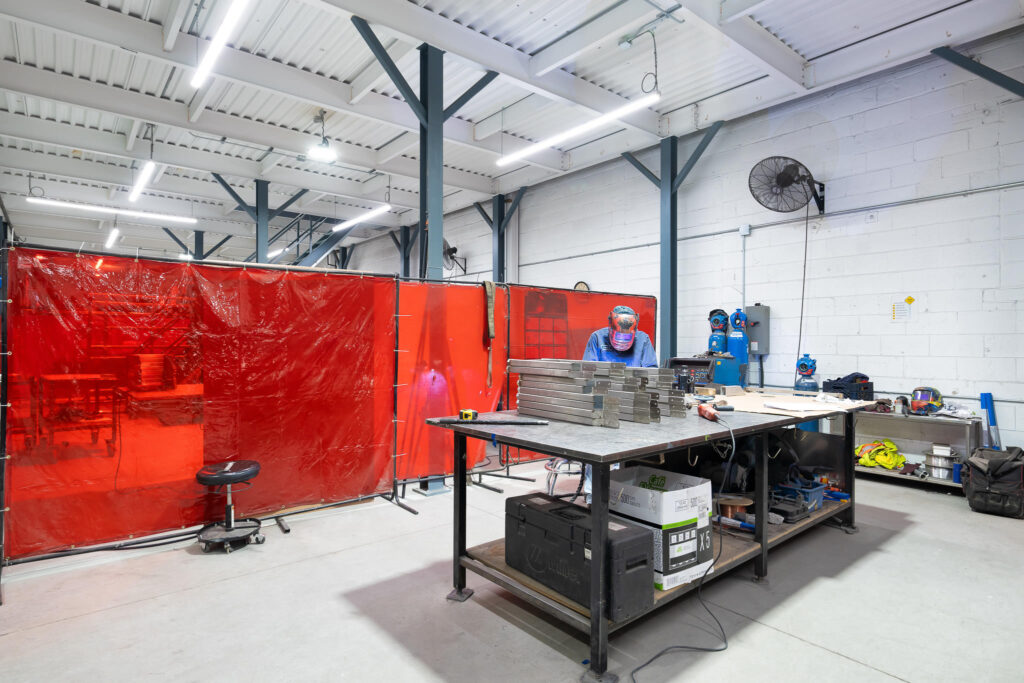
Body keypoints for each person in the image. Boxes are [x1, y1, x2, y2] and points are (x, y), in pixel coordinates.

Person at [580, 305, 658, 502]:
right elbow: (587, 374)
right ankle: (593, 494)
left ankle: (624, 494)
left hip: (633, 402)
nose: (622, 342)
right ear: (610, 326)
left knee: (628, 451)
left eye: (627, 338)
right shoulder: (597, 338)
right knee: (599, 450)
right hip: (603, 402)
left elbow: (652, 372)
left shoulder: (643, 340)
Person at [583, 305, 658, 367]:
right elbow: (588, 369)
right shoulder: (597, 337)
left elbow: (651, 370)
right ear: (611, 328)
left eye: (626, 336)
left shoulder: (643, 339)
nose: (622, 340)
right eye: (619, 335)